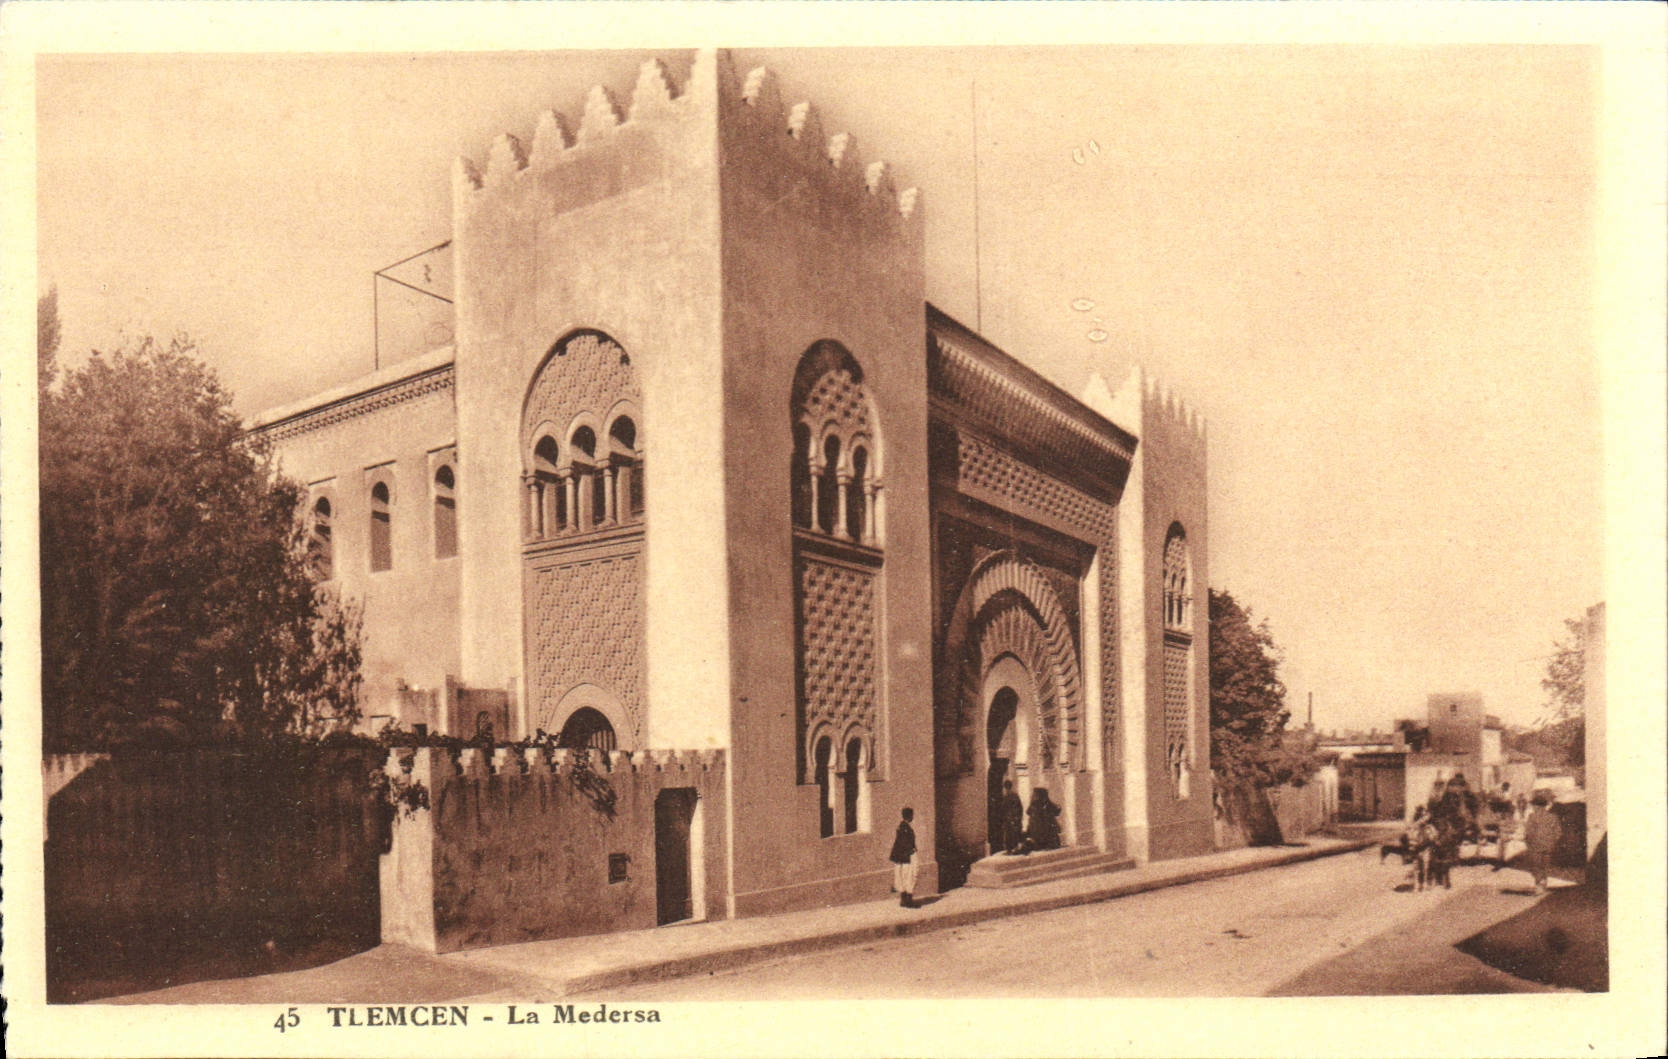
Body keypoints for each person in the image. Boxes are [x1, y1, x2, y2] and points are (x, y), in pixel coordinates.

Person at [1522, 791, 1562, 895]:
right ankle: (1544, 883)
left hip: (1535, 845)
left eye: (1533, 805)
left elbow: (1528, 832)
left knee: (1536, 865)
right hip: (1549, 846)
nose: (1533, 807)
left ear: (1536, 806)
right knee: (1545, 864)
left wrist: (1527, 842)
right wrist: (1552, 842)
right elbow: (1558, 833)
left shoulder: (1532, 817)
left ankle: (1539, 885)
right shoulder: (1553, 817)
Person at [889, 807, 919, 908]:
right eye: (912, 815)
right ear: (909, 816)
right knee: (910, 876)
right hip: (907, 856)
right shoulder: (906, 828)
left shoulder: (901, 827)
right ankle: (908, 901)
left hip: (900, 857)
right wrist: (912, 851)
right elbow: (906, 843)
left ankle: (903, 900)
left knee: (901, 877)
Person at [1022, 787, 1062, 852]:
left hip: (1041, 827)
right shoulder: (1041, 803)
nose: (1033, 796)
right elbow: (1056, 811)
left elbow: (1028, 812)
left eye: (1035, 794)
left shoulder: (1042, 803)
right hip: (1039, 827)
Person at [997, 780, 1025, 855]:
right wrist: (1019, 817)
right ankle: (1013, 849)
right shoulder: (1015, 795)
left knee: (1010, 834)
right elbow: (1020, 807)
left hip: (1010, 818)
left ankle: (1010, 849)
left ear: (1005, 787)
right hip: (1014, 818)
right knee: (1013, 833)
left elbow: (1004, 808)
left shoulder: (1007, 796)